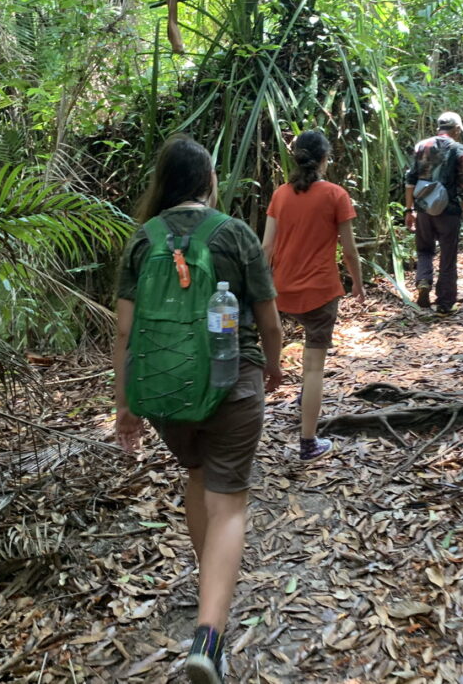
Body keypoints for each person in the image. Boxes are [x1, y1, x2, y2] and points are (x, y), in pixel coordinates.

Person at [114, 134, 283, 684]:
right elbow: (270, 320)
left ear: (163, 182)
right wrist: (275, 367)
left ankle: (211, 578)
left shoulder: (143, 240)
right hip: (233, 383)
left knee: (198, 474)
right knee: (228, 503)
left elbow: (124, 333)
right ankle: (209, 638)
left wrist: (125, 405)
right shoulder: (234, 233)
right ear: (209, 180)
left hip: (166, 391)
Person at [262, 130, 365, 463]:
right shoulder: (336, 194)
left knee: (303, 363)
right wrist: (358, 284)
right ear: (324, 159)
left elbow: (266, 247)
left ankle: (302, 402)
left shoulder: (280, 194)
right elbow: (349, 250)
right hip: (320, 291)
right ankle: (308, 443)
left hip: (282, 289)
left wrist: (262, 288)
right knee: (314, 368)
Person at [404, 111, 463, 315]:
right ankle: (445, 303)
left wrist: (409, 209)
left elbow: (410, 179)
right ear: (456, 129)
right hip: (449, 211)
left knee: (424, 250)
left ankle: (424, 280)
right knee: (448, 256)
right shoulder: (460, 151)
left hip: (424, 209)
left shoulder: (422, 146)